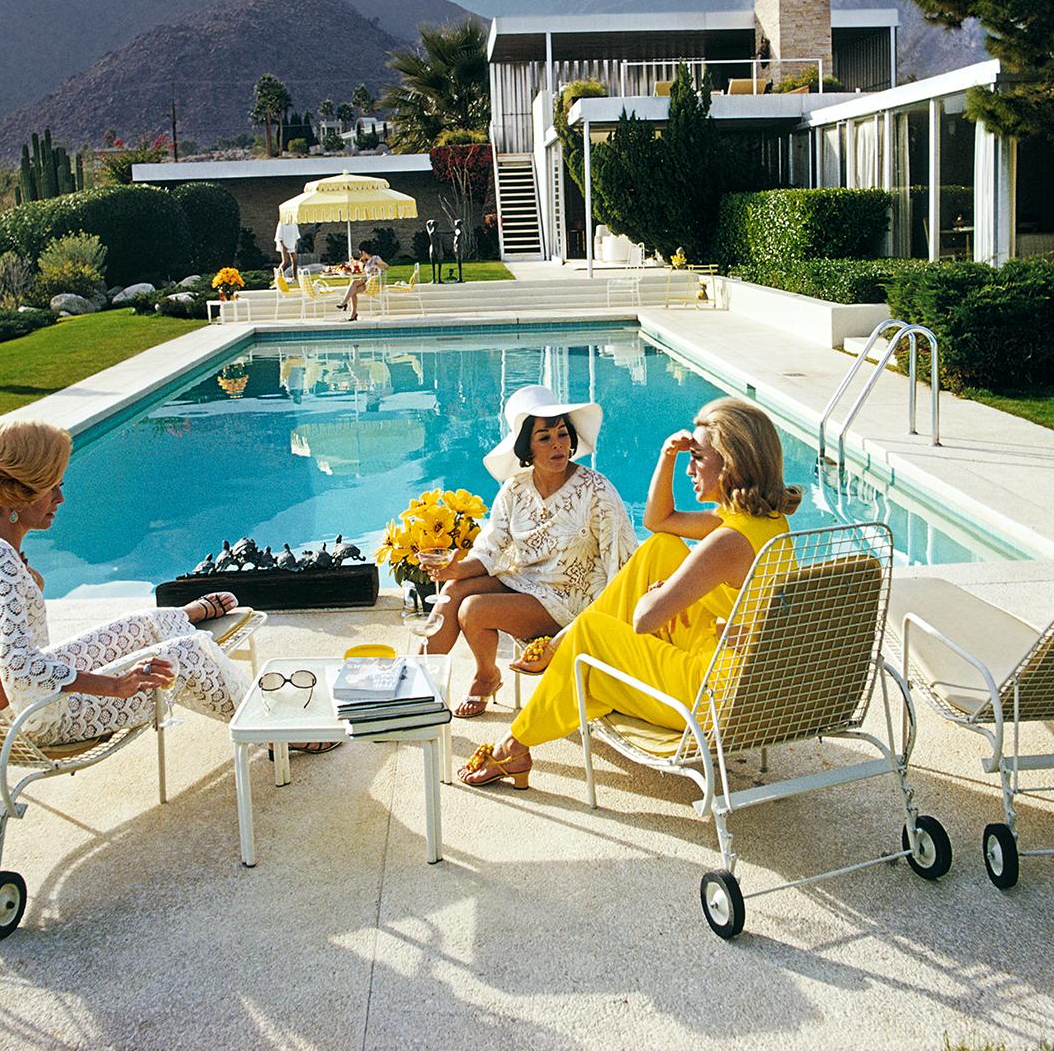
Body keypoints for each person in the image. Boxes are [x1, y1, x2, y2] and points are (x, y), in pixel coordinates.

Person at [456, 397, 801, 788]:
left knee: (592, 638)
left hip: (710, 698)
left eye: (698, 458)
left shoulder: (726, 542)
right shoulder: (764, 523)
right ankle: (561, 644)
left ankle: (513, 746)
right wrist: (666, 456)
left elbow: (645, 618)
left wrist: (662, 593)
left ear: (733, 463)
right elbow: (659, 522)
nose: (690, 468)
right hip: (742, 674)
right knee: (662, 548)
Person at [0, 420, 337, 752]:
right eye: (52, 486)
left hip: (15, 706)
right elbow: (21, 669)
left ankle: (178, 616)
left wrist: (30, 584)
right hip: (35, 720)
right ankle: (275, 733)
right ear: (20, 489)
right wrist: (116, 685)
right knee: (190, 653)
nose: (61, 497)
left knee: (142, 624)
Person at [420, 385, 637, 718]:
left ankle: (485, 676)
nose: (558, 445)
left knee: (474, 610)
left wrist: (597, 628)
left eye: (563, 434)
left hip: (570, 602)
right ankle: (418, 687)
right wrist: (455, 569)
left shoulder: (596, 492)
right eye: (545, 437)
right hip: (525, 582)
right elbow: (492, 549)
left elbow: (622, 564)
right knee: (453, 592)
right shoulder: (515, 489)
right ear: (526, 447)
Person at [336, 247, 386, 321]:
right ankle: (353, 314)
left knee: (353, 286)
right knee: (353, 287)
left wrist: (376, 267)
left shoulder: (375, 258)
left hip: (373, 283)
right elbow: (367, 273)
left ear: (364, 252)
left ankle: (345, 303)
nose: (360, 255)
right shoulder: (368, 261)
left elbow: (386, 267)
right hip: (367, 281)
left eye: (361, 253)